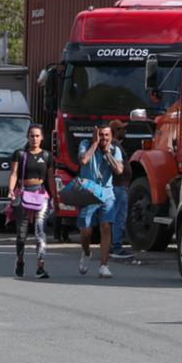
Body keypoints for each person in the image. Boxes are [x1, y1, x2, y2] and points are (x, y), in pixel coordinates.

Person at [7, 124, 56, 279]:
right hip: (23, 194)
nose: (34, 139)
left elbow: (50, 178)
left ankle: (40, 267)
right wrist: (10, 189)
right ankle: (20, 261)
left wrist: (55, 197)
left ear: (42, 138)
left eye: (37, 136)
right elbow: (14, 173)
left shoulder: (47, 156)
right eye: (31, 136)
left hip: (41, 195)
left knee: (40, 231)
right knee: (21, 234)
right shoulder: (20, 154)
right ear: (27, 137)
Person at [77, 123, 124, 279]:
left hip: (106, 193)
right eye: (100, 135)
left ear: (111, 137)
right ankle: (86, 251)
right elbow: (83, 160)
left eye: (106, 135)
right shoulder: (85, 144)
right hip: (88, 191)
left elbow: (119, 170)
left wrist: (107, 153)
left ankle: (104, 265)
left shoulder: (115, 150)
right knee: (86, 231)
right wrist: (95, 144)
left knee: (106, 227)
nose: (103, 138)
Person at [108, 119, 132, 259]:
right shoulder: (114, 144)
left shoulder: (115, 145)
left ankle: (113, 245)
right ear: (115, 131)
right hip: (118, 186)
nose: (125, 131)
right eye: (122, 128)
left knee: (115, 216)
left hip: (118, 185)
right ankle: (117, 247)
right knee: (119, 217)